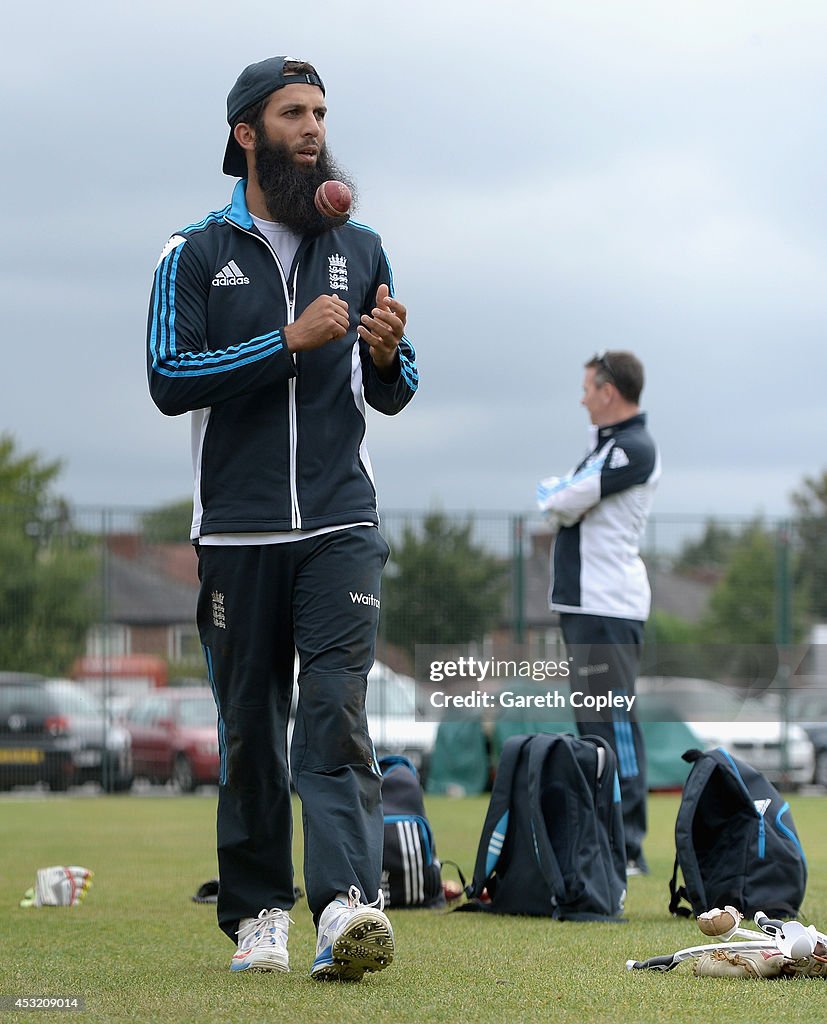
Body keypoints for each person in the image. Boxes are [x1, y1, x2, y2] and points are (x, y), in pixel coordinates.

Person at [146, 56, 418, 980]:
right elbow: (166, 379)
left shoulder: (363, 246)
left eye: (320, 112)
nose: (313, 127)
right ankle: (258, 915)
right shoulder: (192, 253)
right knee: (252, 732)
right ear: (246, 133)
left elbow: (396, 387)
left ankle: (345, 906)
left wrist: (384, 356)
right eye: (293, 112)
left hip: (342, 524)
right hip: (237, 531)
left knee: (336, 714)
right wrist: (285, 342)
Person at [536, 351, 659, 874]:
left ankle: (628, 845)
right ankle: (606, 838)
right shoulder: (604, 445)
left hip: (610, 605)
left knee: (615, 723)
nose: (582, 396)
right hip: (584, 605)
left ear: (609, 390)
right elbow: (562, 496)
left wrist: (558, 493)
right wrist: (559, 493)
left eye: (588, 387)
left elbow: (562, 499)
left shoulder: (633, 447)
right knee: (592, 726)